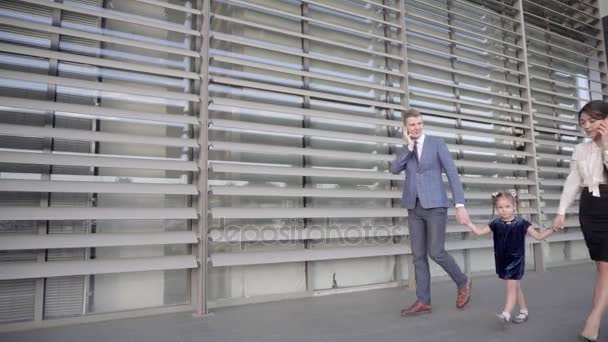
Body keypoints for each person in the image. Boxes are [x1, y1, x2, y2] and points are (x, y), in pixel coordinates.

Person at [391, 108, 472, 316]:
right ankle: (423, 300)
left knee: (435, 251)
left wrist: (460, 205)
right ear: (405, 127)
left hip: (435, 205)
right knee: (418, 256)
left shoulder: (437, 143)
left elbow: (452, 173)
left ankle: (462, 281)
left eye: (419, 123)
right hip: (414, 207)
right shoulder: (406, 149)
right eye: (412, 125)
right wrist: (409, 146)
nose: (416, 127)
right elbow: (394, 169)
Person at [552, 100, 608, 342]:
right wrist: (561, 210)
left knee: (606, 267)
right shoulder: (580, 149)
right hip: (590, 208)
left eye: (591, 121)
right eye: (582, 123)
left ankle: (593, 321)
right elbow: (573, 181)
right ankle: (595, 317)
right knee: (601, 267)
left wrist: (605, 145)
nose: (586, 126)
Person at [466, 191, 554, 325]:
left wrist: (553, 228)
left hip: (516, 261)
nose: (504, 210)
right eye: (500, 207)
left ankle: (506, 313)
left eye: (507, 206)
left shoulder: (522, 223)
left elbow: (539, 236)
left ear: (514, 206)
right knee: (516, 287)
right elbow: (479, 232)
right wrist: (469, 223)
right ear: (496, 208)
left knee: (511, 286)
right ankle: (524, 310)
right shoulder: (495, 223)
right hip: (502, 260)